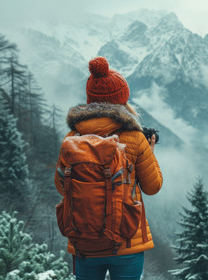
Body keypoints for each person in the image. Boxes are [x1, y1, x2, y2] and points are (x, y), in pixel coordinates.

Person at [54, 56, 163, 280]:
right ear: (122, 100)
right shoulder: (134, 138)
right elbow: (153, 187)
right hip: (127, 240)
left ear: (90, 100)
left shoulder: (72, 138)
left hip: (84, 241)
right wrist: (149, 153)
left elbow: (61, 185)